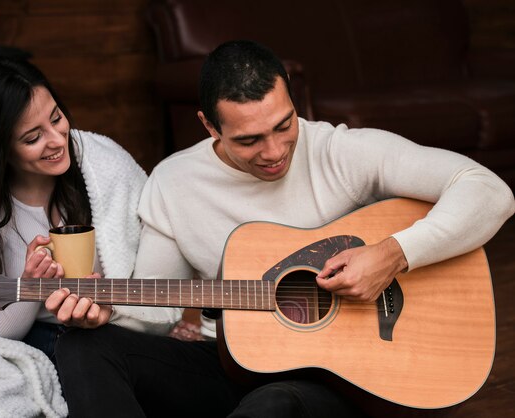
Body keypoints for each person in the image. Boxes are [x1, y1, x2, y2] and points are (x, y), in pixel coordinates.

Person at [48, 40, 515, 417]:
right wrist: (107, 313)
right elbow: (157, 311)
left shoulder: (342, 152)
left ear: (291, 98)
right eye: (248, 140)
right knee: (87, 350)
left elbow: (489, 191)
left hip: (353, 378)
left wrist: (394, 252)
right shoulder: (174, 182)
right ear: (209, 126)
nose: (273, 151)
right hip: (237, 364)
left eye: (283, 125)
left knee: (273, 406)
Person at [0, 57, 180, 363]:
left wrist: (111, 307)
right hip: (36, 342)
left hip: (114, 328)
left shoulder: (105, 168)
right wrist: (31, 286)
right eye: (32, 138)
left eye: (56, 118)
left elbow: (155, 270)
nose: (56, 140)